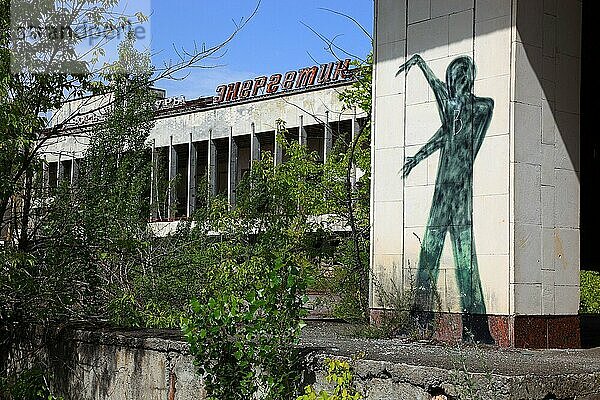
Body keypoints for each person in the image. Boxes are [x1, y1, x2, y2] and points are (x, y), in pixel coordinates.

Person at [397, 54, 494, 342]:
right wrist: (415, 159)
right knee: (429, 251)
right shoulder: (452, 110)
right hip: (443, 192)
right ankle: (420, 320)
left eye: (460, 78)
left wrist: (422, 65)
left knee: (466, 258)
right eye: (453, 80)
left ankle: (476, 328)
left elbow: (471, 128)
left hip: (460, 193)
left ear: (468, 80)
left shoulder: (480, 108)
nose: (455, 84)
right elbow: (443, 133)